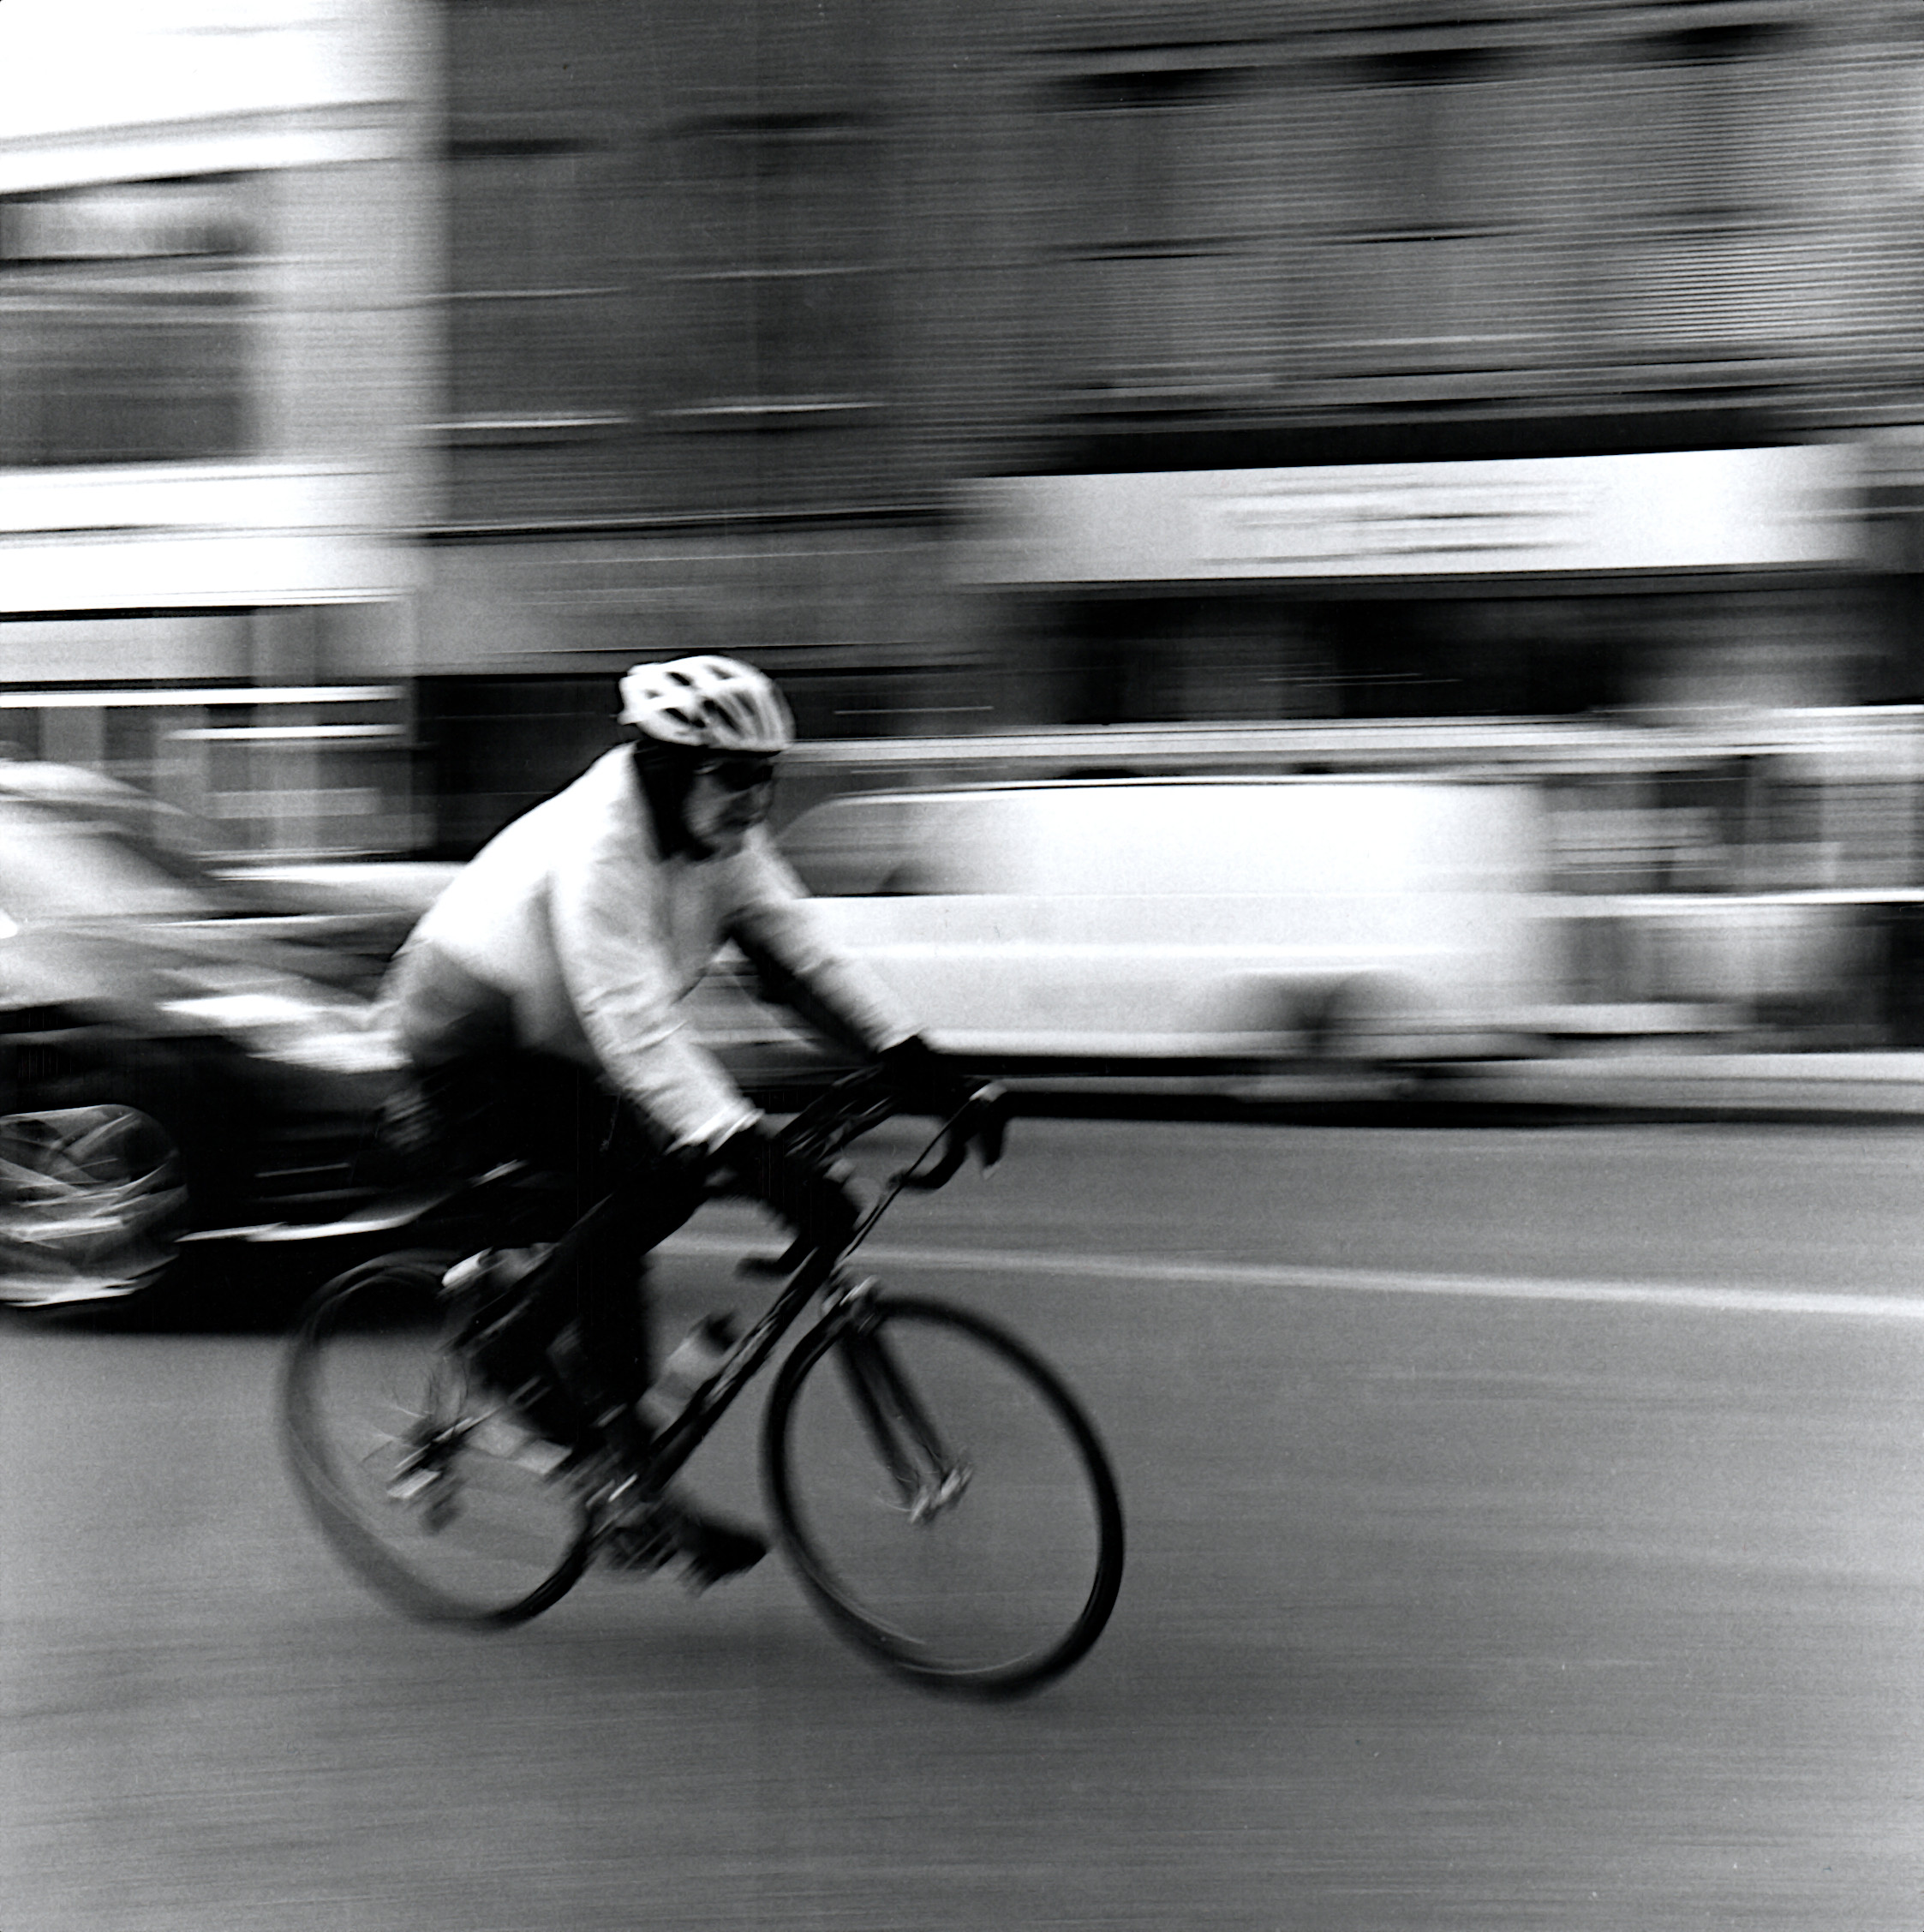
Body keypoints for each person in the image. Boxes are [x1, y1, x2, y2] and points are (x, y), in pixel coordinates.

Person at [376, 655, 984, 1585]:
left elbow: (803, 958)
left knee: (641, 1199)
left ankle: (622, 1469)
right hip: (466, 1049)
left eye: (766, 775)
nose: (756, 797)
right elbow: (637, 1027)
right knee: (654, 1172)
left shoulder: (721, 839)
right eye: (735, 774)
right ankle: (510, 1350)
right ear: (665, 769)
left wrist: (928, 1069)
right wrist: (762, 1158)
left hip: (563, 1052)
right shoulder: (597, 849)